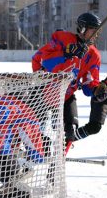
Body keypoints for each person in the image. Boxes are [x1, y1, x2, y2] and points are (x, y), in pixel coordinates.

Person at [31, 13, 103, 152]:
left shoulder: (94, 55)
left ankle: (59, 163)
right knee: (34, 131)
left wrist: (96, 90)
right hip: (43, 93)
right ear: (82, 29)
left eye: (98, 31)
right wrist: (66, 54)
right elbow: (42, 60)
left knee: (72, 130)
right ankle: (31, 156)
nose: (96, 35)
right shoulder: (62, 39)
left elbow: (89, 86)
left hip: (66, 96)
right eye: (93, 30)